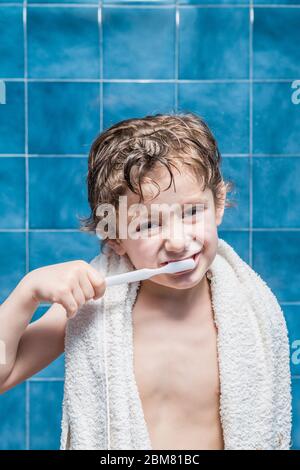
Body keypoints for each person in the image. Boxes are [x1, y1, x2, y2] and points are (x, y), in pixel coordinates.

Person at [0, 112, 291, 450]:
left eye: (192, 212)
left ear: (220, 204)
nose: (179, 242)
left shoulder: (249, 313)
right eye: (148, 225)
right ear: (115, 238)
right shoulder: (94, 305)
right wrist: (27, 292)